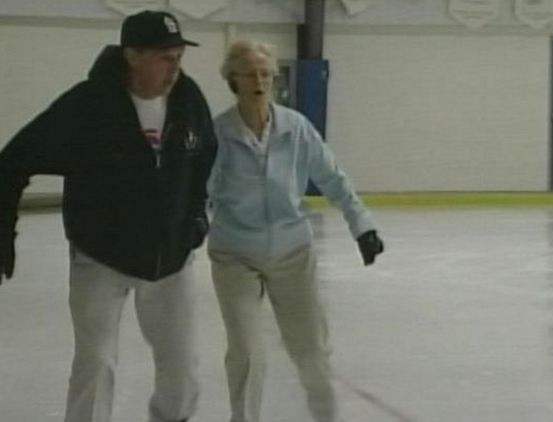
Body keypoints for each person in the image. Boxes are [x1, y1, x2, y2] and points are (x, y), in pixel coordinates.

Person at [0, 10, 217, 422]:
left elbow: (204, 156)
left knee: (182, 367)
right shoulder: (87, 106)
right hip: (101, 257)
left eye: (178, 56)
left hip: (171, 256)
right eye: (164, 57)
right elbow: (11, 163)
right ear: (132, 55)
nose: (175, 67)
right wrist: (2, 233)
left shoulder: (189, 101)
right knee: (96, 362)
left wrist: (194, 216)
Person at [208, 39, 384, 422]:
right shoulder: (218, 134)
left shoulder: (296, 128)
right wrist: (190, 225)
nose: (259, 81)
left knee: (312, 352)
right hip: (234, 255)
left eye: (266, 74)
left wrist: (362, 226)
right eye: (249, 74)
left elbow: (332, 179)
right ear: (233, 81)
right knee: (246, 351)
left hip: (292, 252)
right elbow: (198, 190)